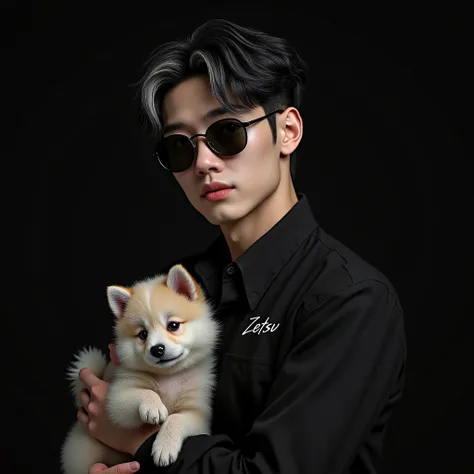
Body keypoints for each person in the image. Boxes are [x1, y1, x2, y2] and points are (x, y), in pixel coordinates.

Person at [76, 18, 407, 474]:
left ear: (287, 132)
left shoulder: (350, 300)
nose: (204, 163)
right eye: (179, 147)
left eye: (226, 131)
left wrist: (139, 441)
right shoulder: (179, 289)